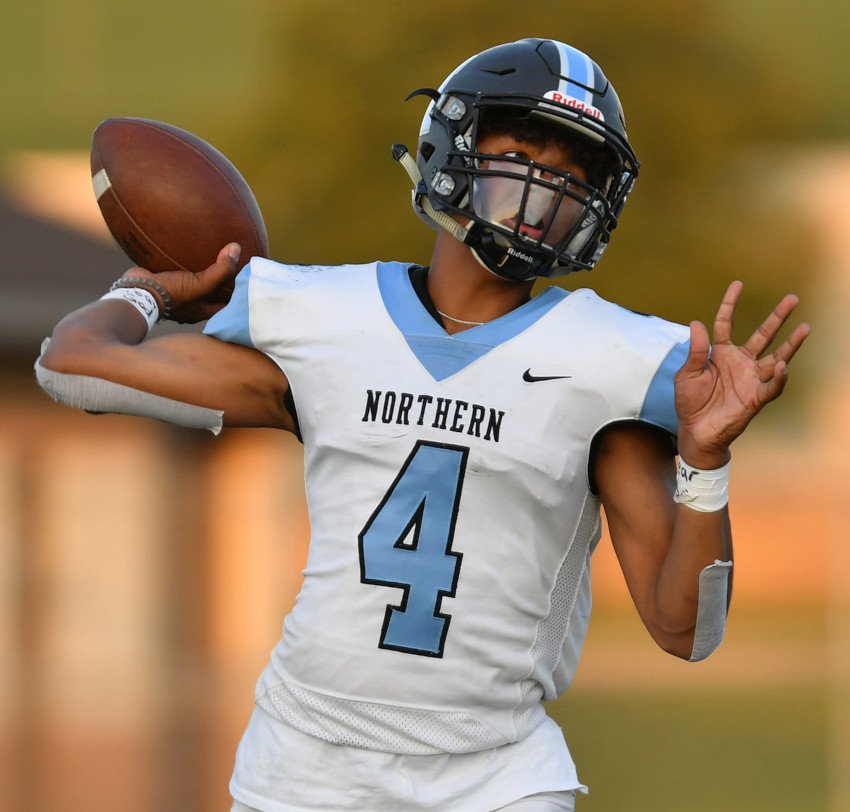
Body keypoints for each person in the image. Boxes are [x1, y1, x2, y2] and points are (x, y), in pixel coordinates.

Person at [35, 38, 809, 812]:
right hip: (306, 767)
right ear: (453, 149)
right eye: (524, 153)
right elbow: (69, 367)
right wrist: (147, 292)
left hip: (496, 777)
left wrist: (704, 462)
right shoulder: (326, 322)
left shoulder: (605, 361)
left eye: (573, 175)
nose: (548, 188)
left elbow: (689, 632)